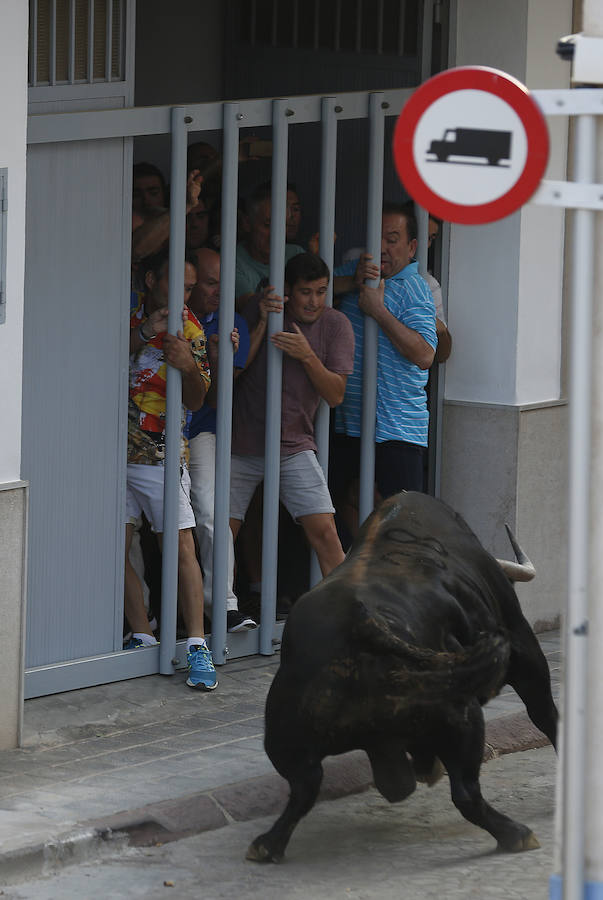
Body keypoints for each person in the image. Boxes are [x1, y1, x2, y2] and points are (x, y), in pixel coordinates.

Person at [229, 252, 354, 587]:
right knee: (221, 536)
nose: (314, 301)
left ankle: (346, 616)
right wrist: (260, 319)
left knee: (326, 533)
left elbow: (336, 394)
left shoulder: (335, 324)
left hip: (294, 445)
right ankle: (220, 618)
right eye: (305, 292)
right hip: (242, 442)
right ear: (286, 290)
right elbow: (233, 370)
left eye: (321, 291)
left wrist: (307, 355)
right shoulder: (262, 306)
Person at [126, 247, 218, 691]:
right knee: (114, 547)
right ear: (150, 282)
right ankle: (143, 635)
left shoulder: (192, 328)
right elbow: (99, 356)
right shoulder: (123, 313)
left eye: (188, 286)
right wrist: (146, 330)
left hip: (162, 455)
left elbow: (200, 399)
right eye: (173, 285)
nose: (182, 295)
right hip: (109, 451)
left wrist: (188, 366)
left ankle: (197, 645)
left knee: (181, 545)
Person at [330, 203, 437, 543]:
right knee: (331, 509)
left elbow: (425, 355)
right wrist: (351, 281)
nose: (383, 248)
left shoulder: (414, 288)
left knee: (402, 527)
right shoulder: (353, 272)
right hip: (349, 423)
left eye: (393, 239)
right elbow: (308, 293)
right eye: (377, 240)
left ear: (412, 247)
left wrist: (378, 311)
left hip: (397, 430)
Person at [185, 247, 257, 633]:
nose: (218, 291)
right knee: (130, 524)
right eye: (210, 283)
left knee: (212, 516)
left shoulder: (233, 324)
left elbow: (218, 396)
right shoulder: (167, 316)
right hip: (148, 430)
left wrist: (217, 359)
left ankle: (225, 607)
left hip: (200, 431)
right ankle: (141, 617)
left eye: (222, 284)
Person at [235, 182, 304, 308]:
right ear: (246, 223)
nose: (275, 234)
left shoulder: (296, 254)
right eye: (267, 225)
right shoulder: (233, 262)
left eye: (282, 226)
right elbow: (249, 305)